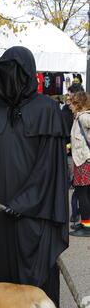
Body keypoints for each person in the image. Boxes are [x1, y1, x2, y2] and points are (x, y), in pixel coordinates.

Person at [0, 46, 69, 308]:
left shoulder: (47, 108)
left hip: (37, 209)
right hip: (0, 210)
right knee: (5, 272)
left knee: (40, 272)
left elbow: (49, 166)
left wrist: (25, 202)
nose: (8, 78)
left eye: (15, 71)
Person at [68, 91, 90, 237]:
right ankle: (85, 223)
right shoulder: (79, 118)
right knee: (84, 194)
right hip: (82, 160)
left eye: (72, 102)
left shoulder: (84, 118)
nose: (69, 105)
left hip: (84, 161)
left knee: (83, 194)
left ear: (78, 104)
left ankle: (87, 227)